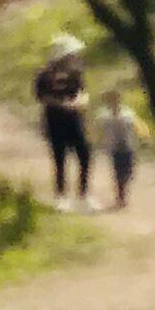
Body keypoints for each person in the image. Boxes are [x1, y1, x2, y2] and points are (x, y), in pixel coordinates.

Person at [35, 37, 92, 203]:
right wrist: (61, 104)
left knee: (85, 155)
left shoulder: (76, 74)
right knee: (60, 158)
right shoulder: (44, 75)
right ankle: (61, 196)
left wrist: (79, 102)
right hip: (54, 121)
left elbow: (83, 92)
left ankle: (84, 194)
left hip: (75, 119)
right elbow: (41, 96)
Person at [101, 99, 138, 211]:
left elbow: (137, 127)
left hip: (128, 147)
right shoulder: (106, 117)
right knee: (118, 173)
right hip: (116, 149)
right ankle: (121, 197)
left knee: (129, 172)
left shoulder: (128, 115)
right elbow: (103, 132)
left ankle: (122, 193)